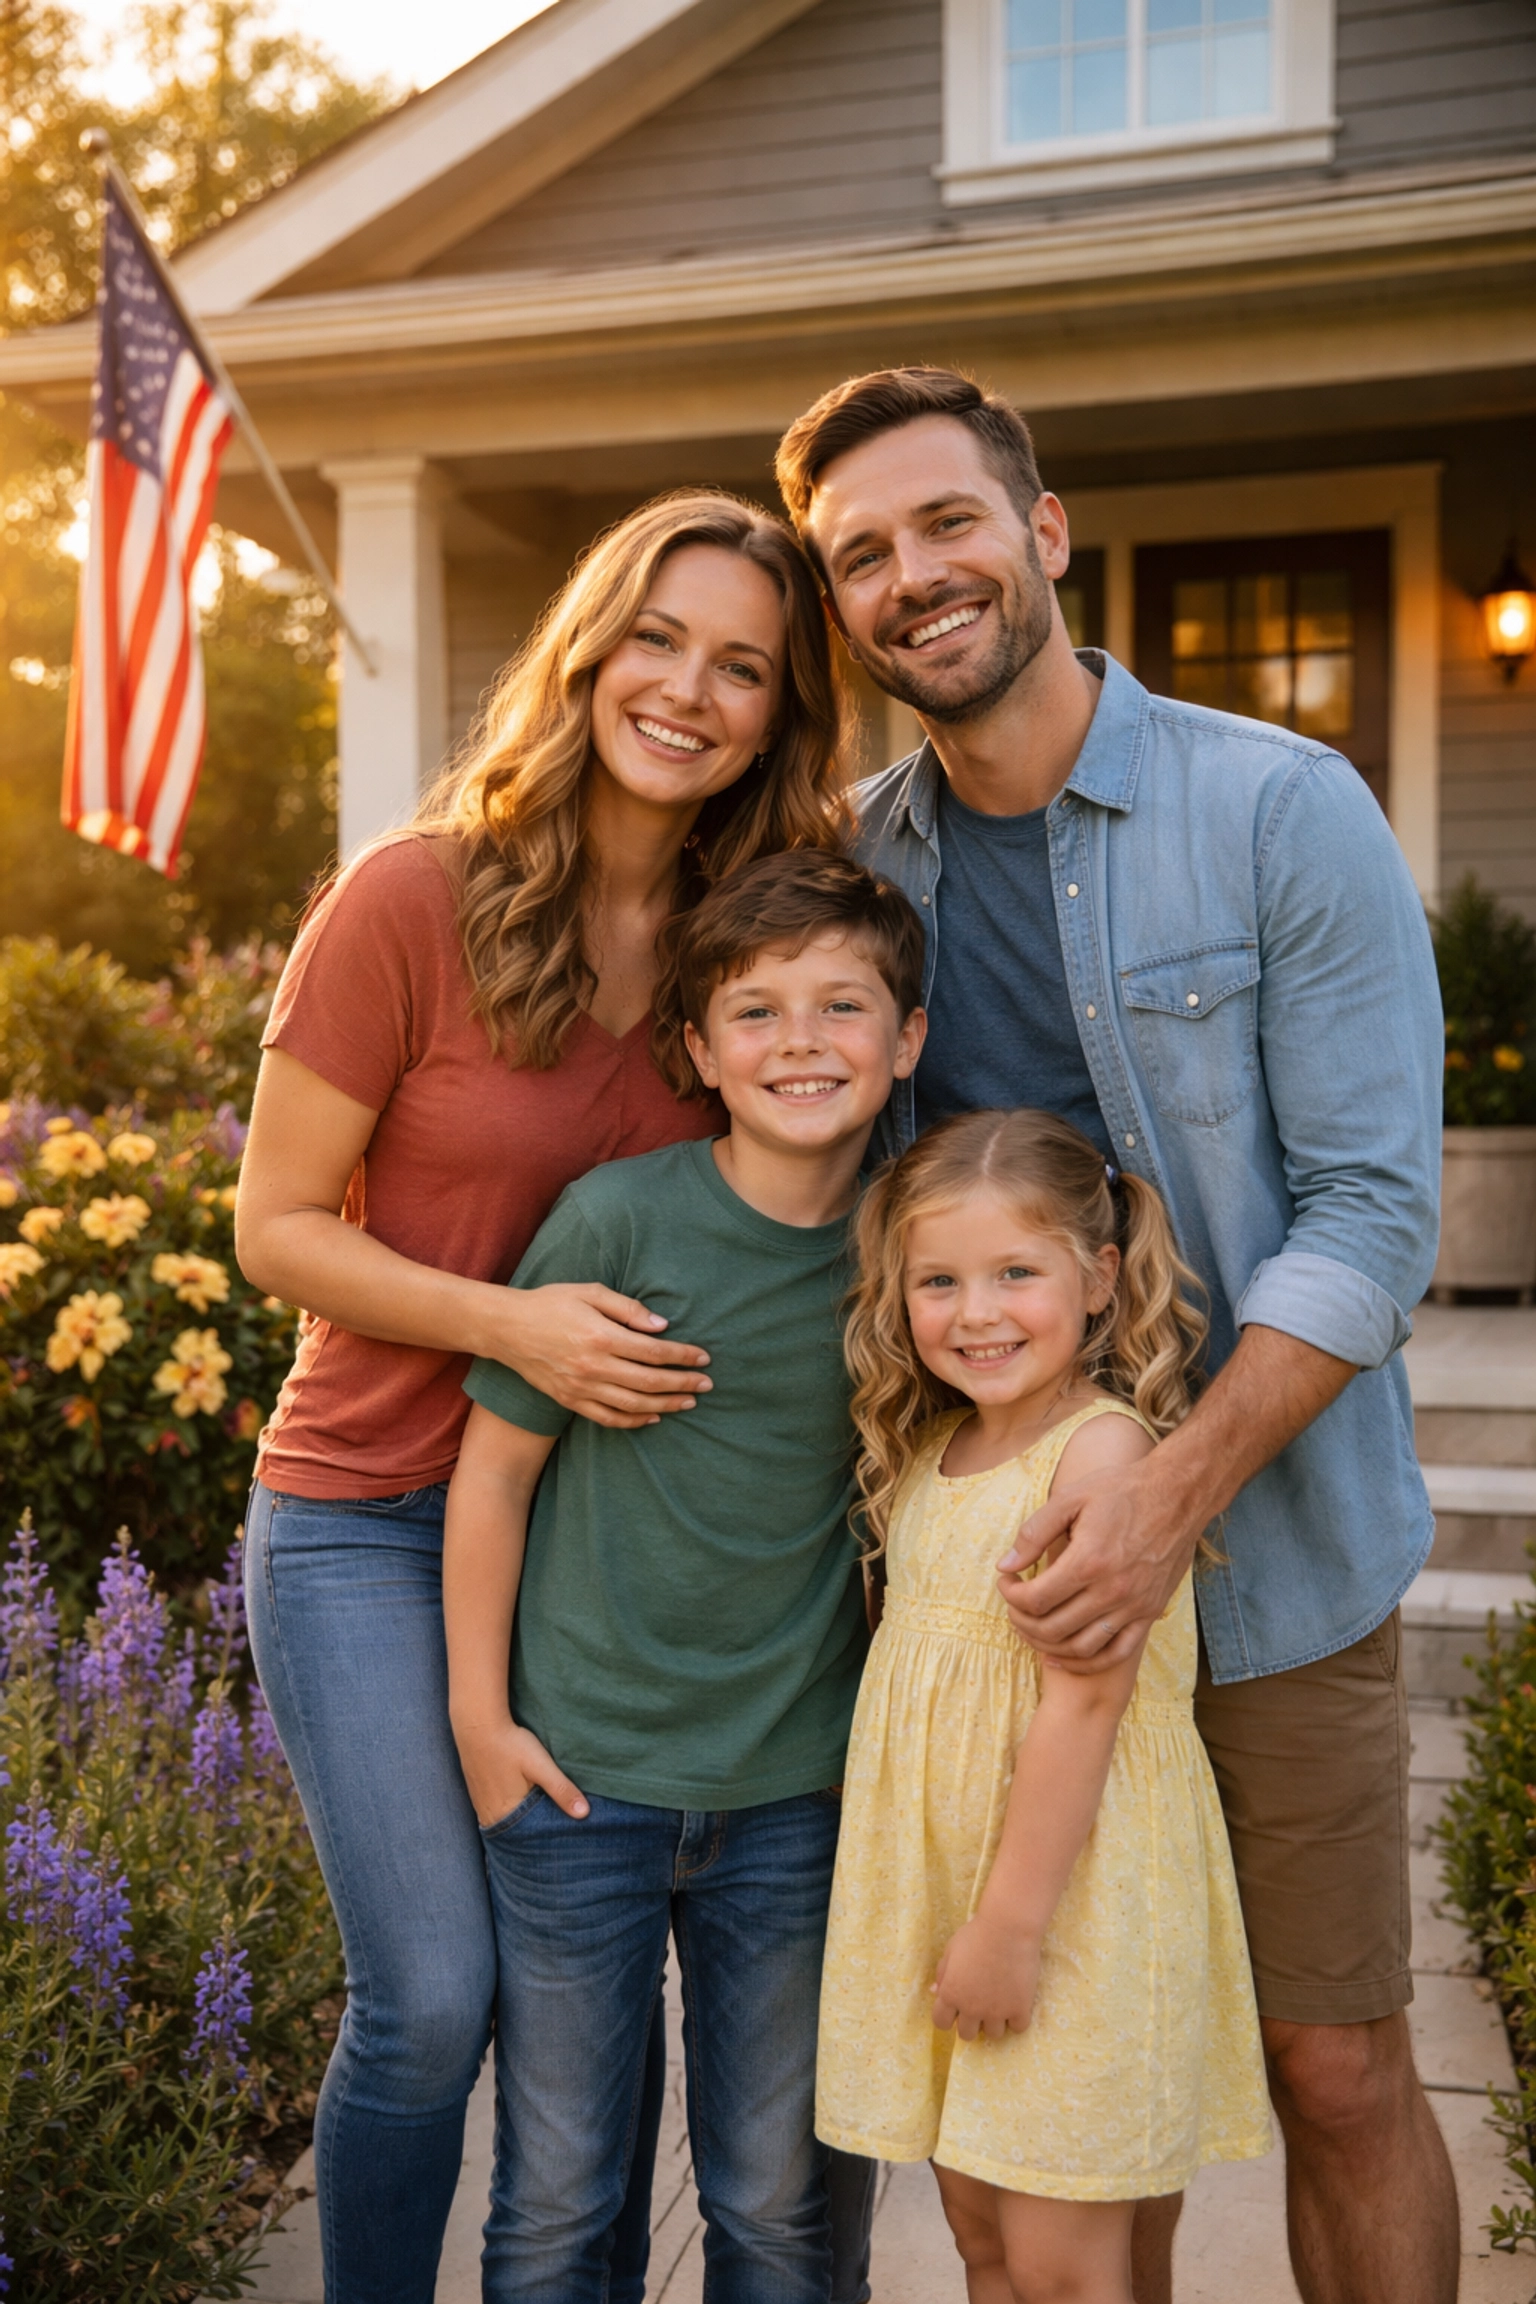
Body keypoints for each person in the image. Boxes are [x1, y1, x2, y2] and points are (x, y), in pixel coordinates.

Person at [774, 367, 1453, 2304]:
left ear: (1044, 532)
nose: (917, 576)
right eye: (865, 558)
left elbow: (1375, 1211)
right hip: (1005, 1609)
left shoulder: (1277, 808)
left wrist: (1173, 1489)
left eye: (948, 523)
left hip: (1275, 1561)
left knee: (1335, 2066)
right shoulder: (859, 869)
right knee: (1060, 2109)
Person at [233, 492, 851, 2304]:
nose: (689, 688)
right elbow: (272, 1224)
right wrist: (509, 1320)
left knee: (599, 2014)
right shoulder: (409, 895)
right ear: (588, 646)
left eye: (742, 663)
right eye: (657, 638)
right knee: (432, 1995)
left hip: (596, 1538)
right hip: (365, 1513)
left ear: (781, 706)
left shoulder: (755, 947)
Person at [442, 852, 927, 2301]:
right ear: (700, 1050)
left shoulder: (913, 1253)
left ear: (907, 1040)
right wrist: (483, 1723)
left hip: (793, 1796)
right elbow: (494, 1478)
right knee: (556, 2201)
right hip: (577, 1781)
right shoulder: (618, 1221)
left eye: (844, 1006)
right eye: (758, 1010)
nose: (800, 1041)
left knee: (777, 2201)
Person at [818, 1108, 1271, 2304]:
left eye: (1016, 1273)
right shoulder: (934, 1448)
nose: (976, 1313)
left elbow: (1082, 1712)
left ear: (1098, 1276)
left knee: (1066, 2267)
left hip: (1066, 1912)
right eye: (939, 1281)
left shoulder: (1100, 1459)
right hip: (951, 1895)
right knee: (985, 2241)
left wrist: (1008, 1930)